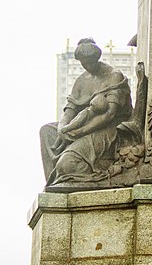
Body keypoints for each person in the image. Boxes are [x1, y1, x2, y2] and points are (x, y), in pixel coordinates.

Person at [40, 38, 132, 185]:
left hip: (108, 129)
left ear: (97, 58)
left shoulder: (114, 76)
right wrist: (62, 128)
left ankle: (83, 178)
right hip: (81, 124)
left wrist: (79, 132)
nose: (87, 66)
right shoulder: (81, 80)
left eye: (90, 62)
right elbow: (70, 109)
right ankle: (54, 182)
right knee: (46, 131)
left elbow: (109, 115)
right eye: (83, 63)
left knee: (67, 164)